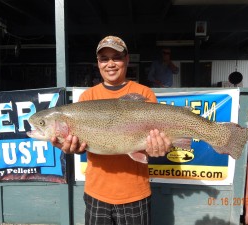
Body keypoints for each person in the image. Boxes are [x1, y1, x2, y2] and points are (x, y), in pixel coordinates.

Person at [51, 36, 172, 225]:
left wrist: (158, 148)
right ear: (98, 63)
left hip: (135, 193)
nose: (110, 64)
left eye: (116, 57)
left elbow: (150, 145)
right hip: (96, 193)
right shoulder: (87, 97)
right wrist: (73, 148)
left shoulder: (144, 93)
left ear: (127, 59)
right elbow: (83, 145)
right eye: (104, 59)